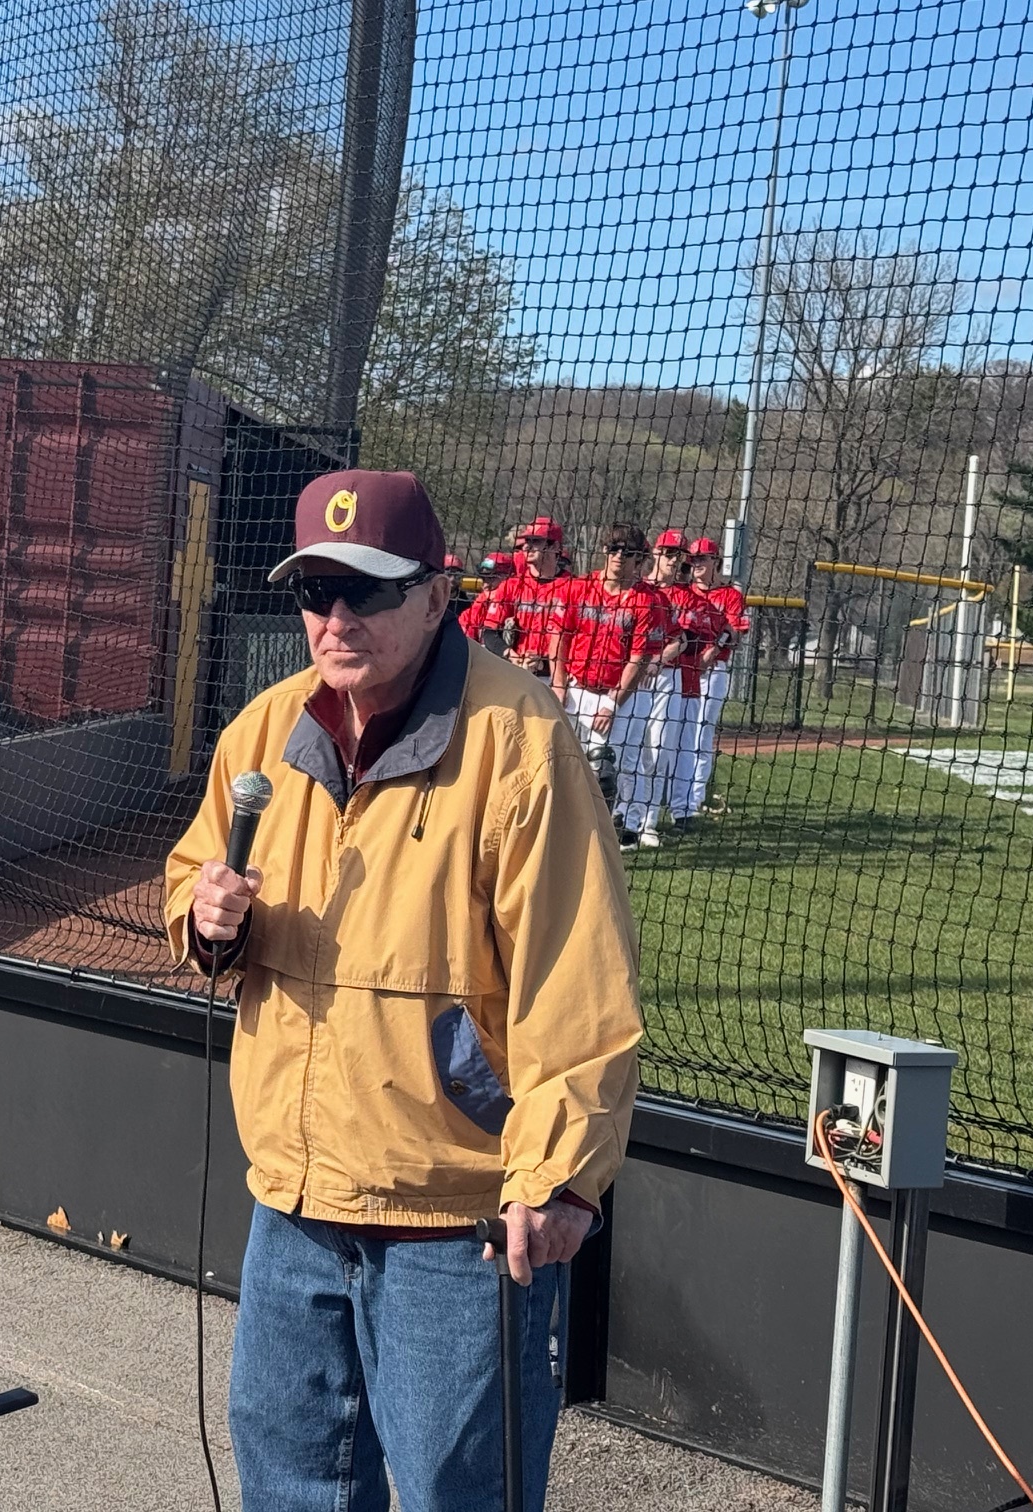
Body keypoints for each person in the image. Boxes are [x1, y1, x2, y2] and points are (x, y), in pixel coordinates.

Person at [165, 469, 641, 1512]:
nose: (336, 619)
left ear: (438, 593)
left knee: (453, 1495)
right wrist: (200, 917)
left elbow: (580, 978)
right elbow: (193, 868)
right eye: (314, 590)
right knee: (290, 1487)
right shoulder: (263, 733)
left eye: (368, 591)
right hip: (292, 1202)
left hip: (456, 1223)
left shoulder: (520, 743)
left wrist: (559, 1176)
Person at [552, 522, 673, 851]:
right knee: (574, 762)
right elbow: (560, 637)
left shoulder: (647, 601)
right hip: (578, 687)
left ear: (640, 560)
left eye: (629, 552)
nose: (620, 556)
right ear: (605, 551)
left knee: (618, 764)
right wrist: (558, 684)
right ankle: (579, 826)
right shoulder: (579, 588)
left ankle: (629, 827)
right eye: (614, 549)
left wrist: (612, 703)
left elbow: (638, 659)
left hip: (622, 693)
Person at [646, 529, 729, 835]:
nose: (675, 559)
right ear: (655, 553)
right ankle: (629, 813)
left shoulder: (693, 599)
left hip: (684, 679)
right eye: (668, 552)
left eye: (678, 554)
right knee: (641, 749)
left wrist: (709, 648)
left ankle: (678, 813)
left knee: (677, 749)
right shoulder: (642, 591)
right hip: (638, 676)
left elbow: (722, 631)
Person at [687, 536, 750, 819]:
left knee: (701, 733)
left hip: (712, 673)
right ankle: (677, 795)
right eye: (694, 559)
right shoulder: (685, 592)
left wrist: (714, 650)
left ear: (715, 561)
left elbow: (736, 632)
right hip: (682, 670)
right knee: (676, 734)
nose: (697, 564)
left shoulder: (730, 595)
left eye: (702, 558)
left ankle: (695, 798)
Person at [476, 515, 575, 677]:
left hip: (559, 676)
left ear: (555, 546)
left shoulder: (574, 588)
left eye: (535, 541)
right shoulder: (512, 586)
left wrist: (544, 663)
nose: (527, 547)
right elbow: (488, 633)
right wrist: (513, 657)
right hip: (519, 672)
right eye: (526, 541)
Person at [456, 551, 515, 640]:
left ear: (508, 577)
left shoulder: (519, 606)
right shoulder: (478, 606)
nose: (486, 585)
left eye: (491, 578)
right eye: (483, 579)